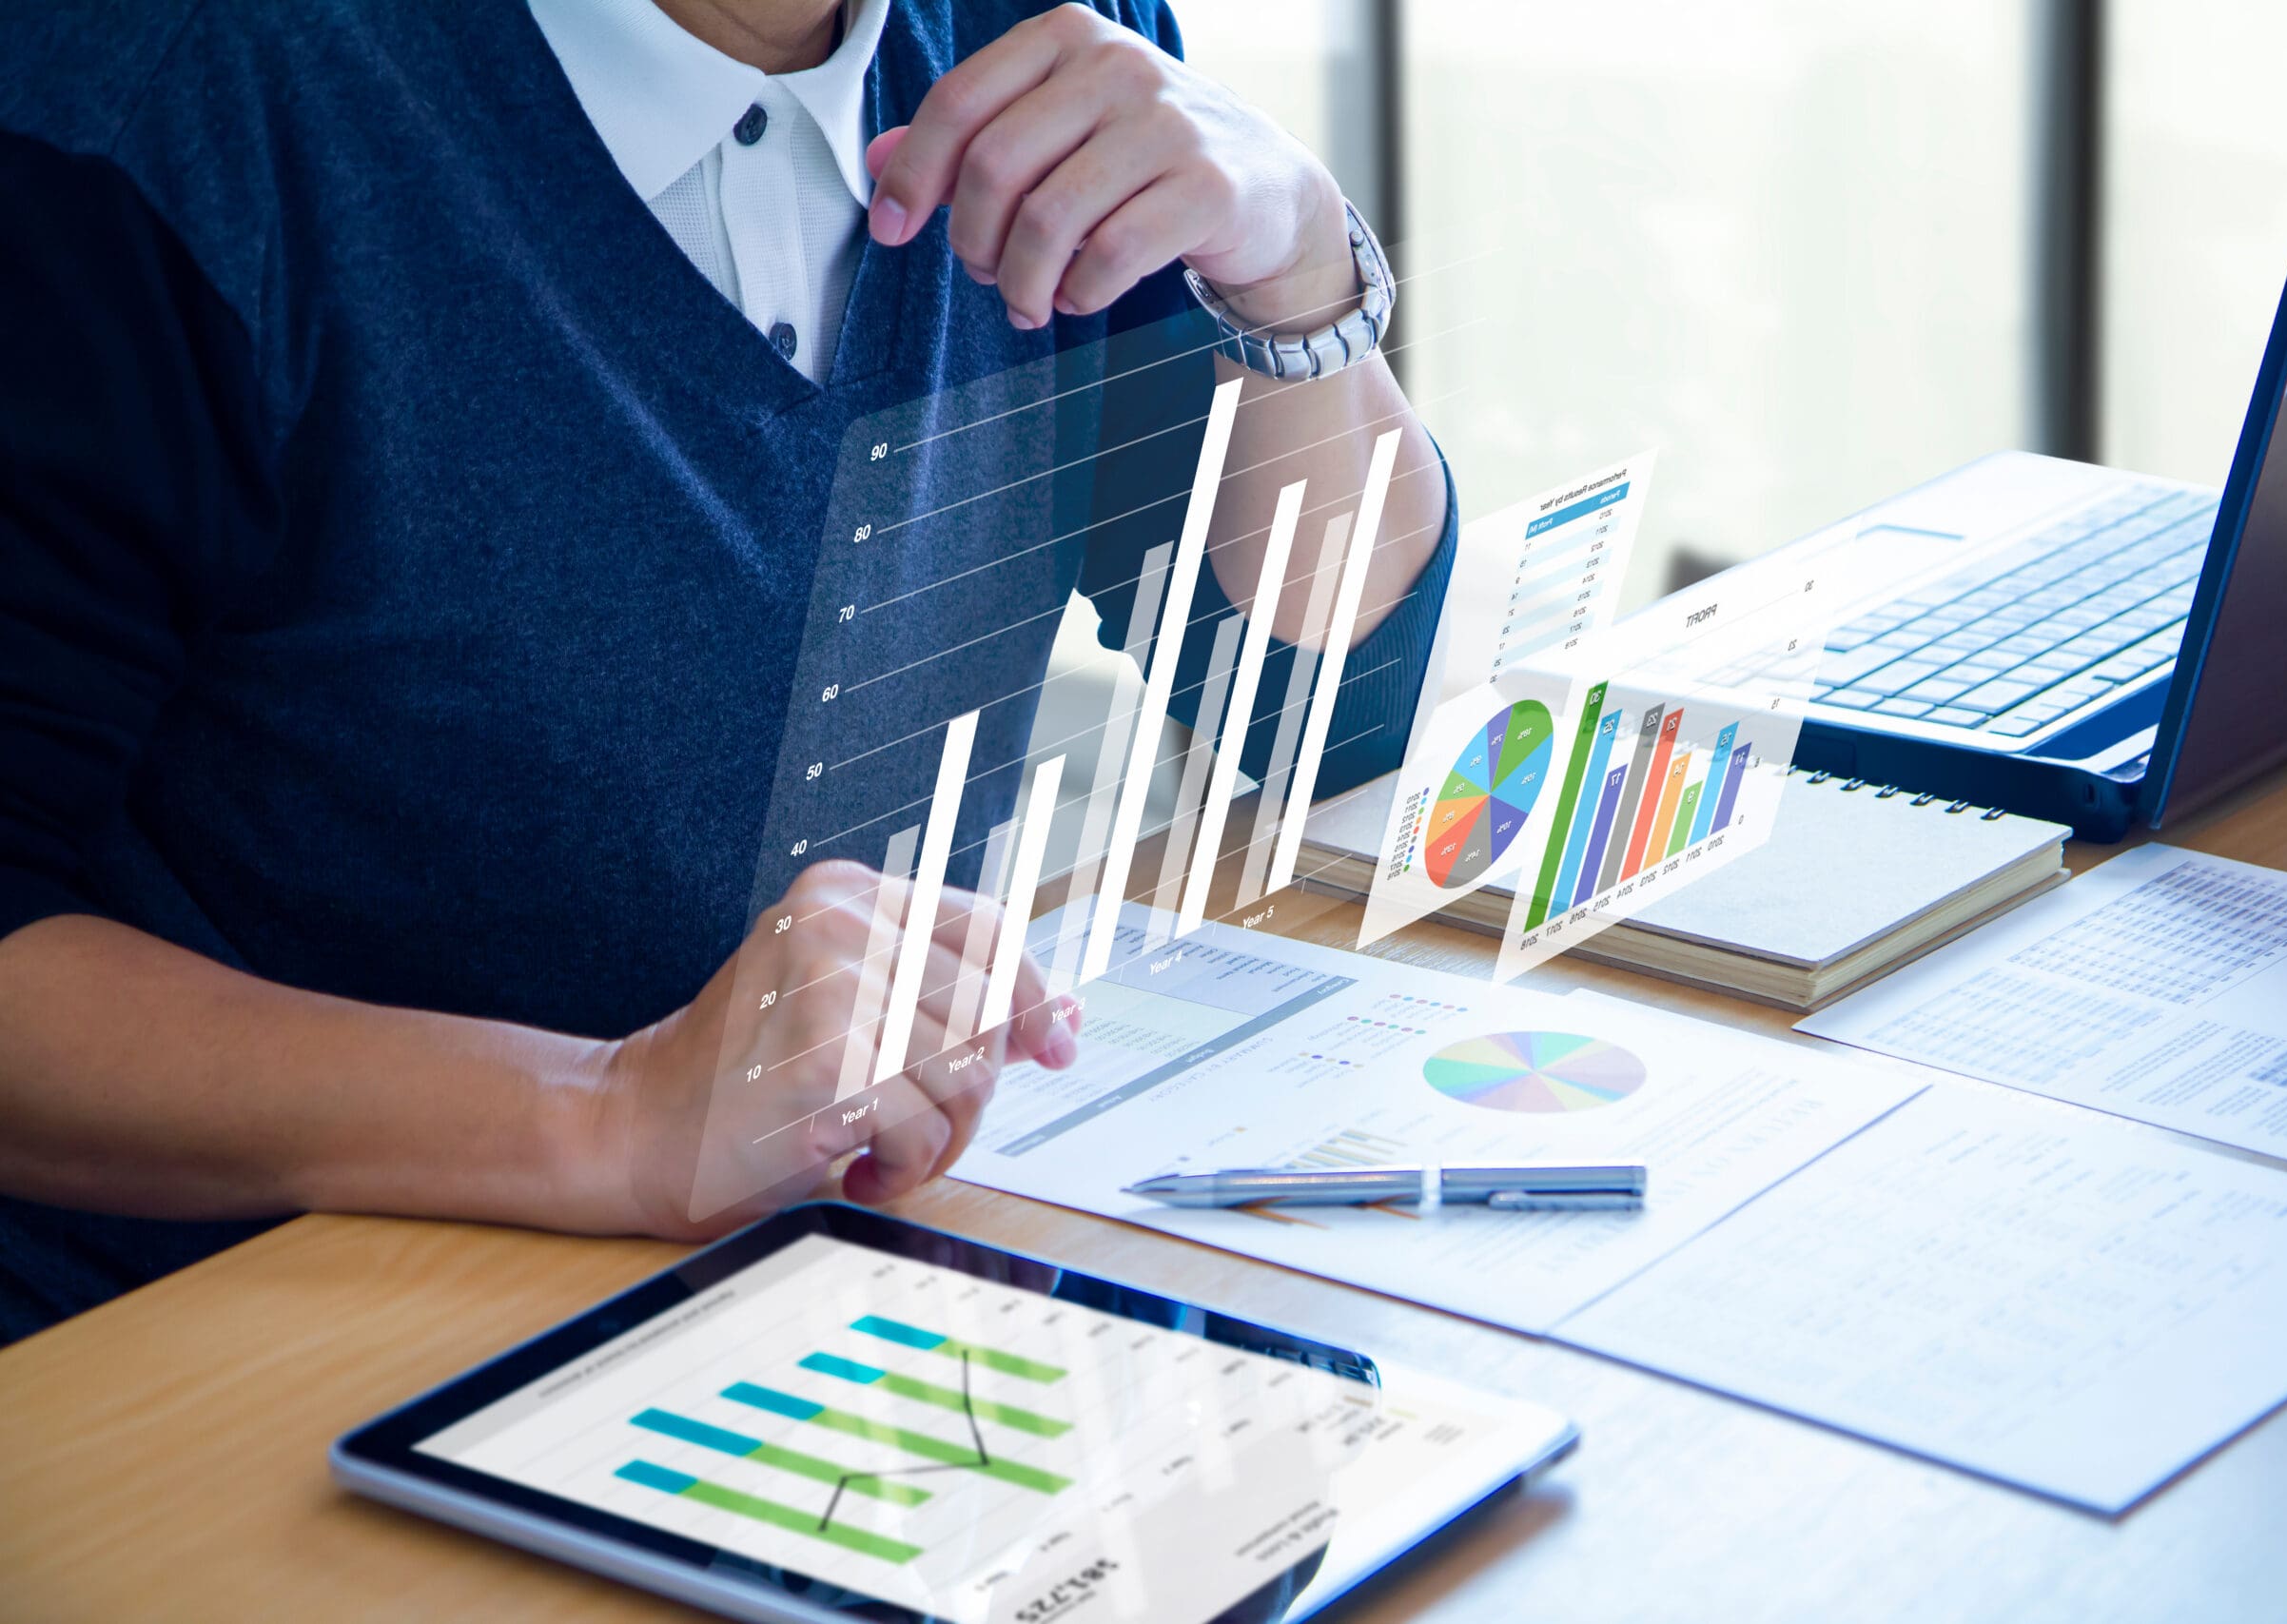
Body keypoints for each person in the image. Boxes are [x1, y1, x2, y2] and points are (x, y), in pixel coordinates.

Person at [0, 0, 1454, 1341]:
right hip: (238, 1355)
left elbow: (1333, 702)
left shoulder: (1034, 31)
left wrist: (1293, 260)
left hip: (816, 1283)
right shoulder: (155, 105)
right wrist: (615, 1113)